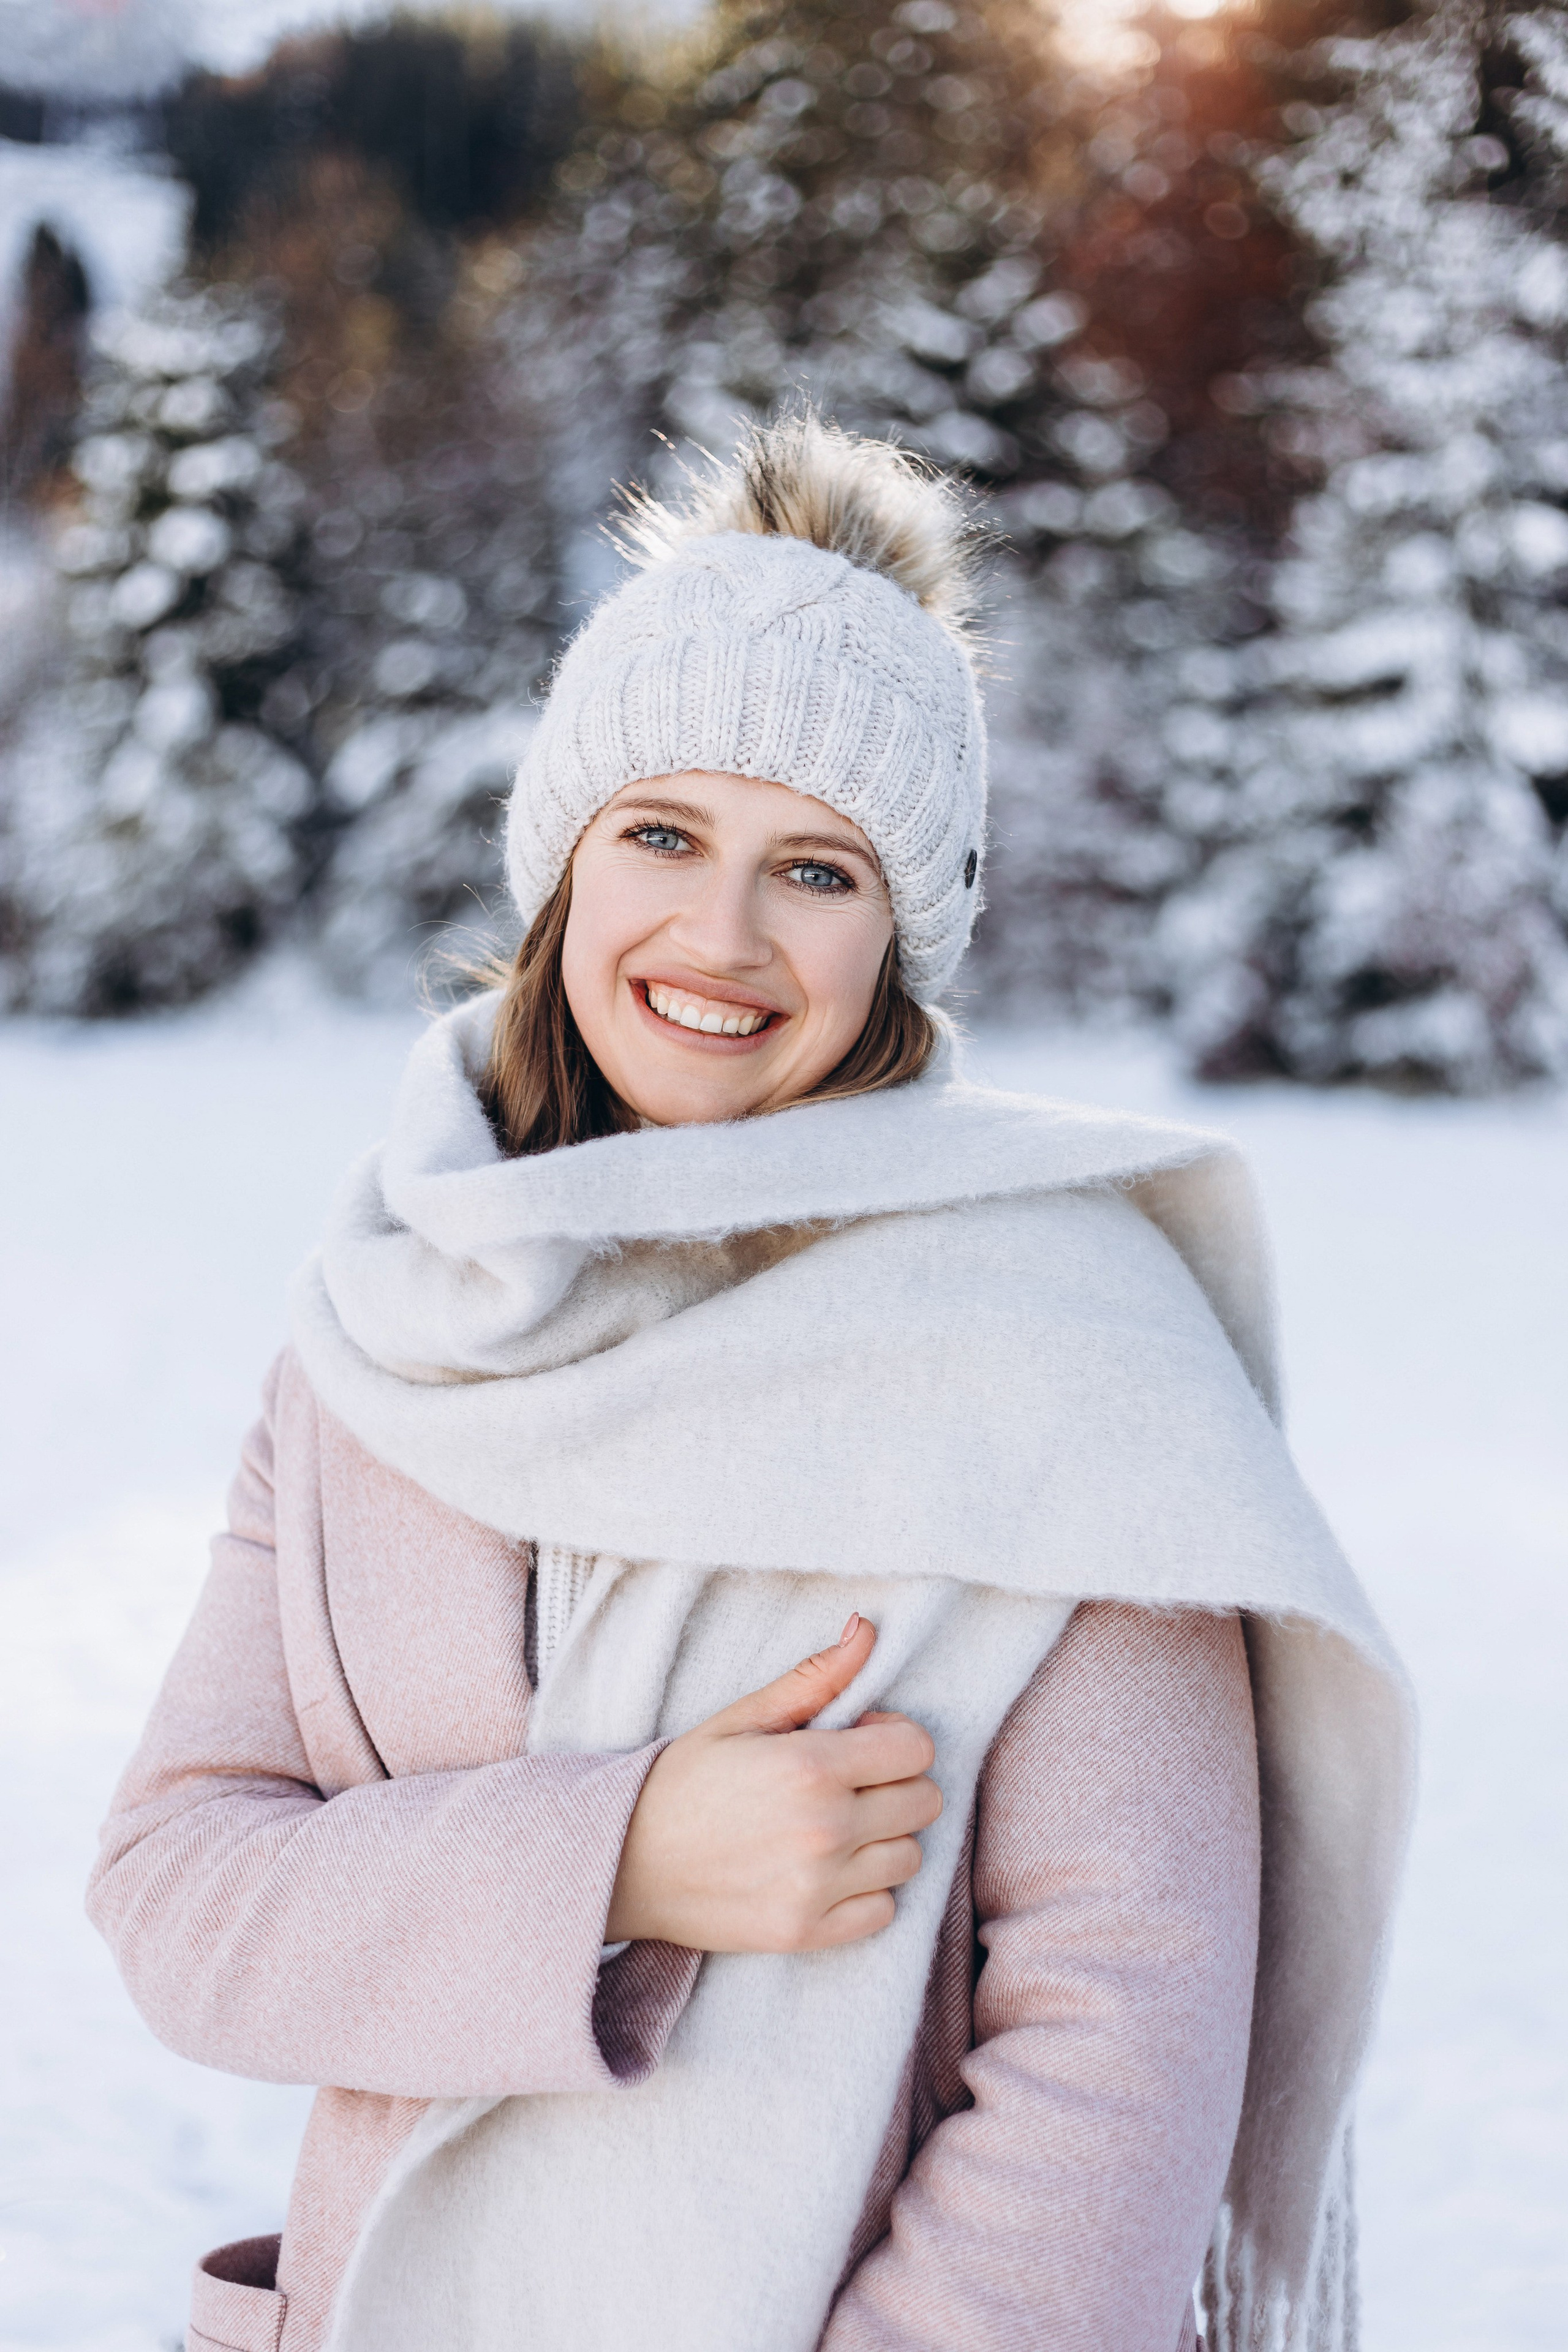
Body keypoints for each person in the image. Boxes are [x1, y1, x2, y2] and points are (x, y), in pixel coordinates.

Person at [89, 411, 1412, 2352]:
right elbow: (181, 1896)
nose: (721, 937)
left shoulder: (1059, 1352)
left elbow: (1124, 2041)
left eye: (815, 869)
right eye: (662, 834)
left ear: (902, 940)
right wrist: (618, 1860)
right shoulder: (385, 1326)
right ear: (563, 862)